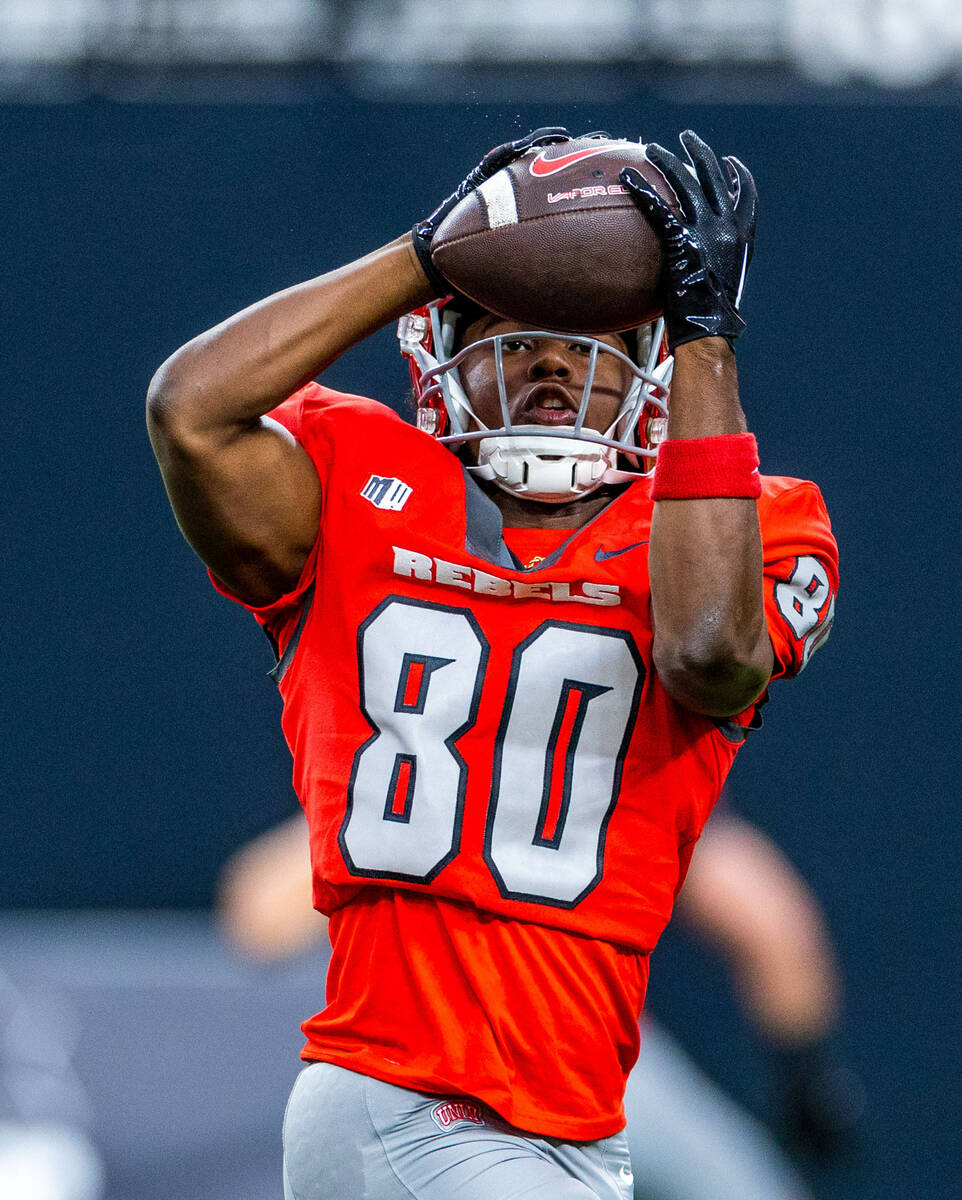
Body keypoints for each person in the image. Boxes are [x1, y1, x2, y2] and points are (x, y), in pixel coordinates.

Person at [147, 127, 838, 1200]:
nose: (554, 363)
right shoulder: (353, 485)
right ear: (443, 351)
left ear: (651, 373)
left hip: (573, 1116)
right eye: (516, 339)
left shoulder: (746, 524)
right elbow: (190, 412)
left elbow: (711, 659)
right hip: (408, 1095)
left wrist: (707, 339)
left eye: (593, 341)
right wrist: (425, 253)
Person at [218, 806, 861, 1200]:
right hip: (576, 1069)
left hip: (437, 1077)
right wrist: (809, 1082)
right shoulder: (608, 763)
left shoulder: (401, 782)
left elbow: (256, 916)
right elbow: (772, 924)